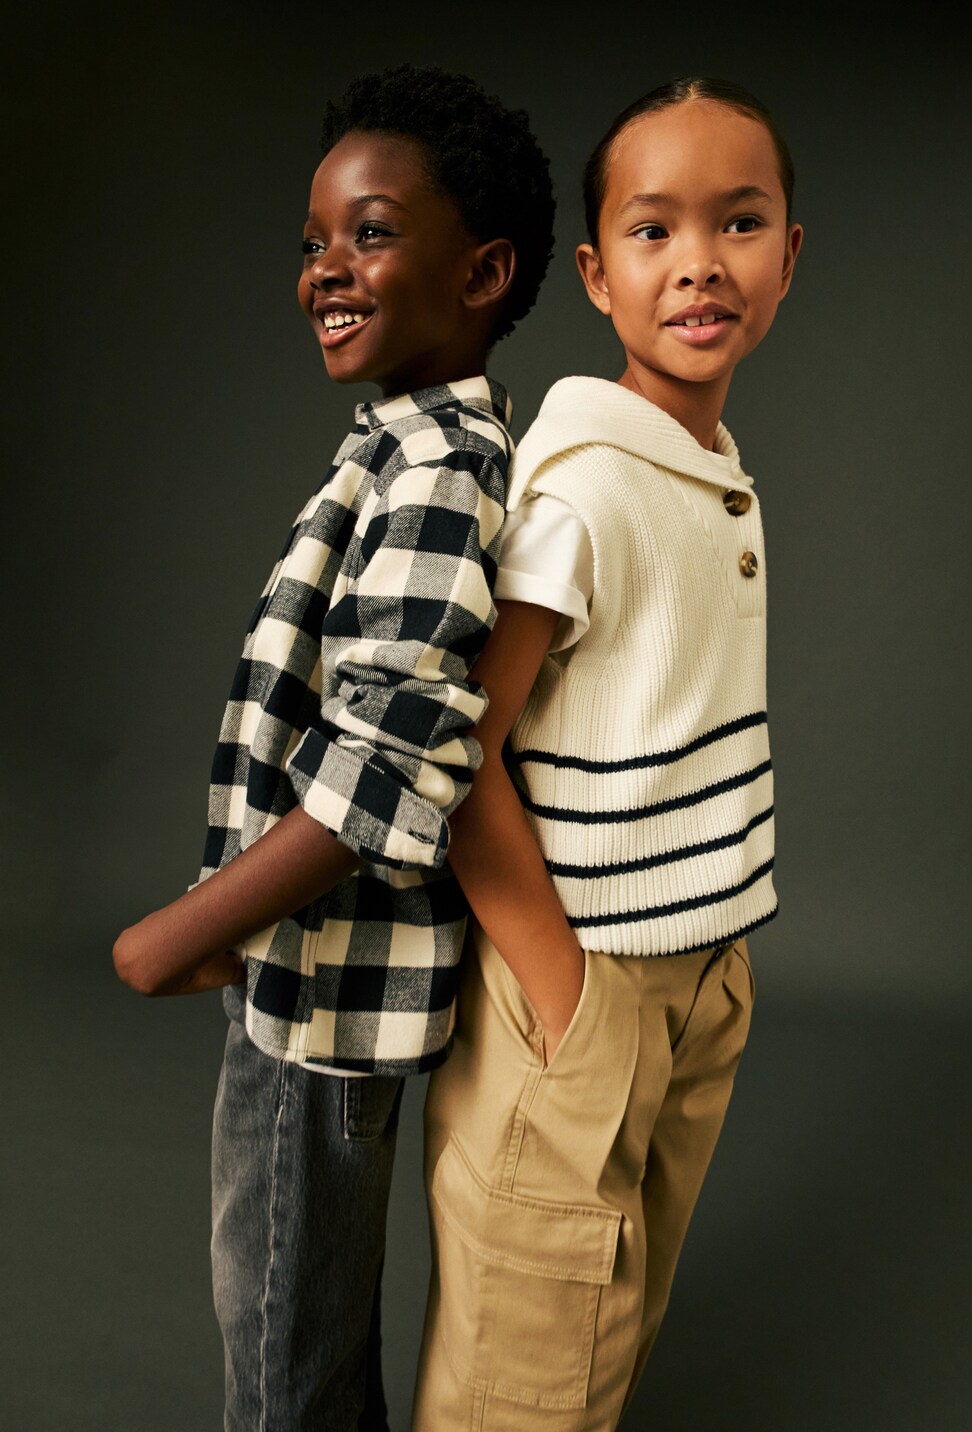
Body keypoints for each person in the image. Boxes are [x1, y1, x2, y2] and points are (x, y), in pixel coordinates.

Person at [112, 64, 555, 1431]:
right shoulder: (395, 449)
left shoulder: (439, 470)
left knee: (282, 1358)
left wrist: (183, 930)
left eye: (370, 232)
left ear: (483, 274)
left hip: (321, 998)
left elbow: (389, 764)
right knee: (293, 1334)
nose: (325, 269)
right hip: (297, 976)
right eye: (314, 241)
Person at [412, 78, 803, 1429]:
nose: (700, 261)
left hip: (699, 972)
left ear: (790, 253)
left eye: (739, 221)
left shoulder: (705, 463)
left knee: (605, 1337)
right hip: (583, 981)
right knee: (528, 1368)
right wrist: (567, 994)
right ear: (595, 273)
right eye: (654, 230)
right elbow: (456, 751)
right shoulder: (582, 487)